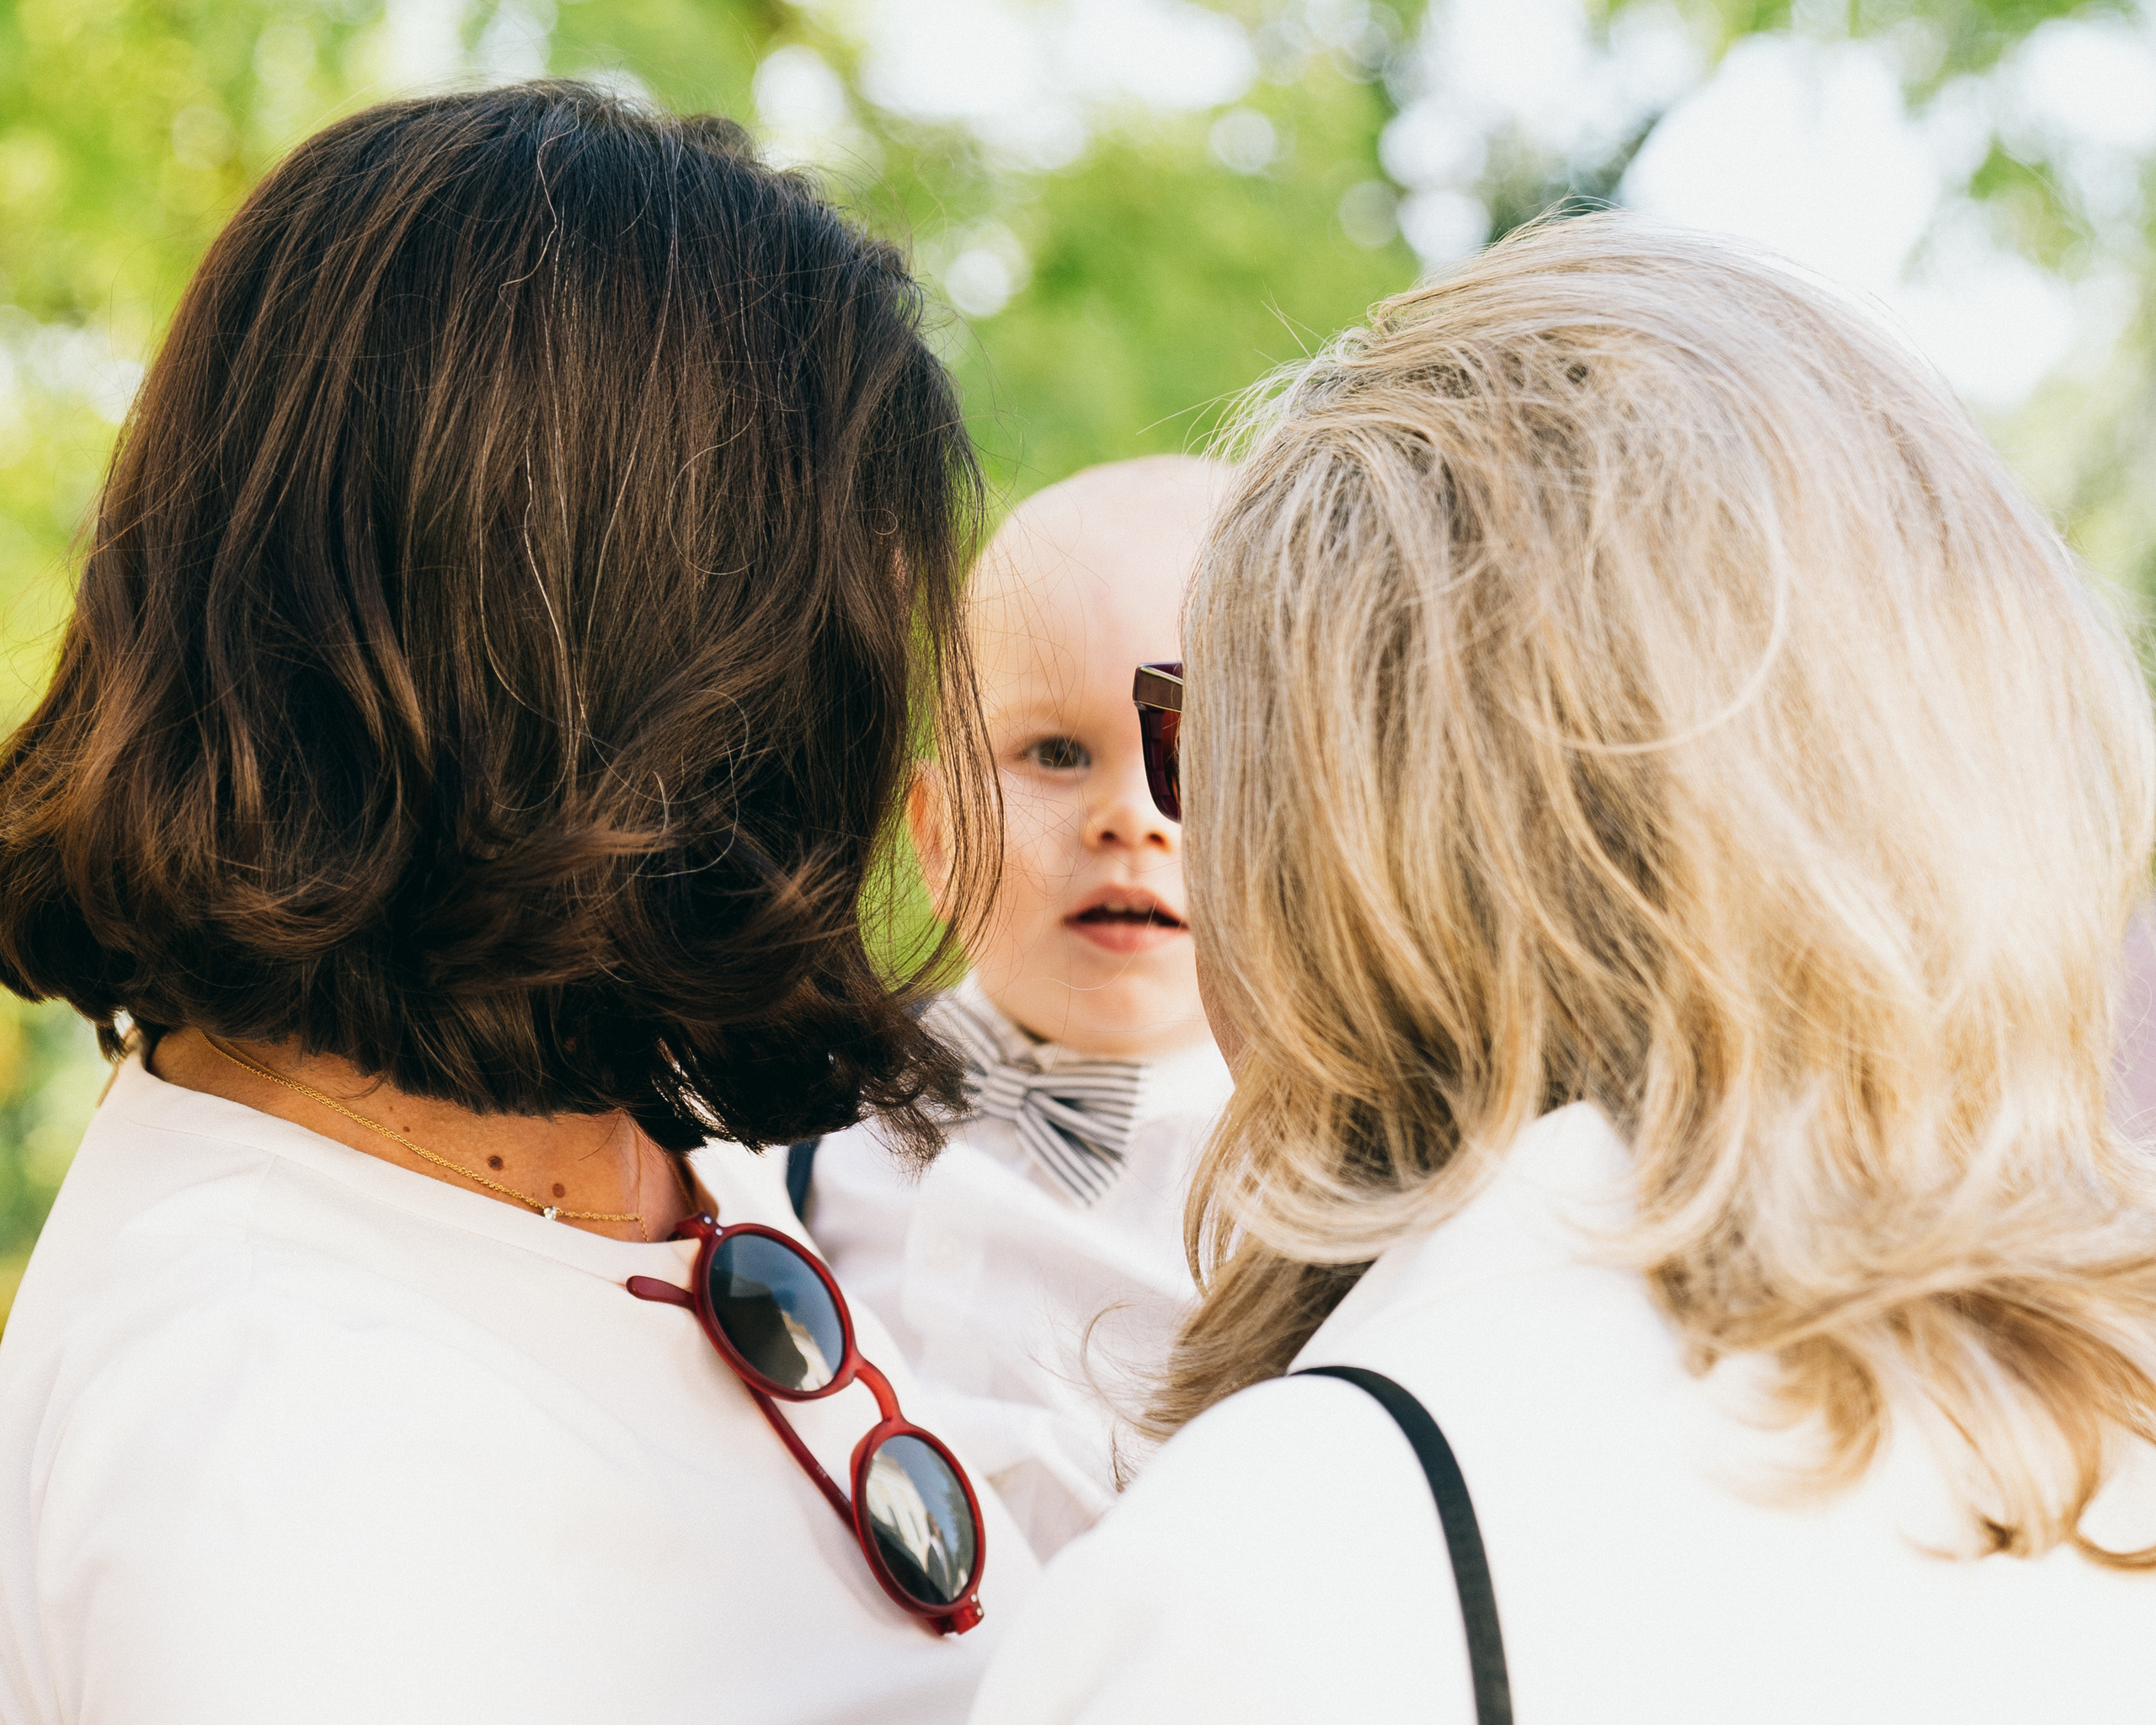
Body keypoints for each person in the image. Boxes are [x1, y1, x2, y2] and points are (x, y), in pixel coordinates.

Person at [970, 217, 2156, 1723]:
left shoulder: (1295, 1572)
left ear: (1355, 815)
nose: (1164, 825)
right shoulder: (2094, 1449)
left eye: (1194, 735)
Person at [0, 83, 1037, 1725]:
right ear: (627, 656)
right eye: (835, 605)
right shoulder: (279, 1455)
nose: (876, 705)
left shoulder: (606, 1132)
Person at [803, 457, 1233, 1557]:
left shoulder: (1292, 1190)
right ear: (939, 837)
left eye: (1199, 756)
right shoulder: (808, 1107)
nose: (1130, 818)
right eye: (1056, 753)